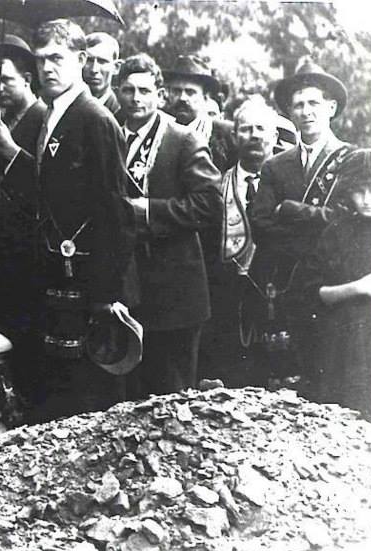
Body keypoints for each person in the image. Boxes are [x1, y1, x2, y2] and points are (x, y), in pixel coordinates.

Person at [0, 18, 135, 422]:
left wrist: (107, 295)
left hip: (88, 280)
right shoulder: (52, 115)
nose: (47, 68)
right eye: (40, 60)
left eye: (57, 58)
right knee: (59, 390)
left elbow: (114, 212)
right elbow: (47, 190)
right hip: (54, 272)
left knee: (89, 394)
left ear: (81, 60)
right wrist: (10, 152)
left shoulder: (94, 119)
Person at [115, 54, 223, 398]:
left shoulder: (182, 139)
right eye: (128, 89)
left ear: (160, 96)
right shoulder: (111, 133)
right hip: (126, 284)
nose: (136, 98)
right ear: (118, 92)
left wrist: (147, 211)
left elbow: (209, 205)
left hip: (175, 289)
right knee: (128, 393)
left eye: (144, 90)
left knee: (172, 396)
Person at [247, 59, 354, 394]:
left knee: (333, 378)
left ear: (331, 107)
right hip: (286, 282)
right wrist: (317, 220)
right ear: (289, 113)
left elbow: (348, 221)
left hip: (333, 283)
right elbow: (261, 223)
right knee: (288, 383)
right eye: (298, 105)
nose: (306, 112)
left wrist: (292, 210)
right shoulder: (275, 166)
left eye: (314, 103)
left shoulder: (354, 160)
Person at [0, 34, 46, 406]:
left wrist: (9, 149)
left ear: (28, 80)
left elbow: (46, 185)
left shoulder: (42, 119)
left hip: (29, 248)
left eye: (6, 81)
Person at [198, 96, 279, 386]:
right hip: (227, 303)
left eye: (261, 128)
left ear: (274, 135)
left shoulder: (290, 186)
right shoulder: (217, 187)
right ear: (234, 136)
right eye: (245, 129)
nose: (254, 135)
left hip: (275, 298)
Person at [295, 149, 371, 422]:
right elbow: (314, 293)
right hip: (344, 345)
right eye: (359, 191)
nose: (366, 199)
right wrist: (359, 287)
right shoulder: (337, 232)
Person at [163, 55, 236, 173]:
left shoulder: (225, 134)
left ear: (205, 98)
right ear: (168, 93)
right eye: (176, 91)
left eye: (190, 92)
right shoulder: (160, 128)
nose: (182, 98)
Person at [82, 32, 120, 116]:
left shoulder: (121, 114)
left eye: (102, 61)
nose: (94, 69)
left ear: (116, 68)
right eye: (89, 60)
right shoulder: (65, 107)